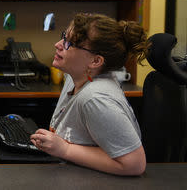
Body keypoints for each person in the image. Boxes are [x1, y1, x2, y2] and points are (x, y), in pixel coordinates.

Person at [30, 13, 149, 176]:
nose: (58, 44)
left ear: (95, 62)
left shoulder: (96, 99)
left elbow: (134, 164)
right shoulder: (76, 78)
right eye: (64, 37)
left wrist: (64, 149)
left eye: (70, 43)